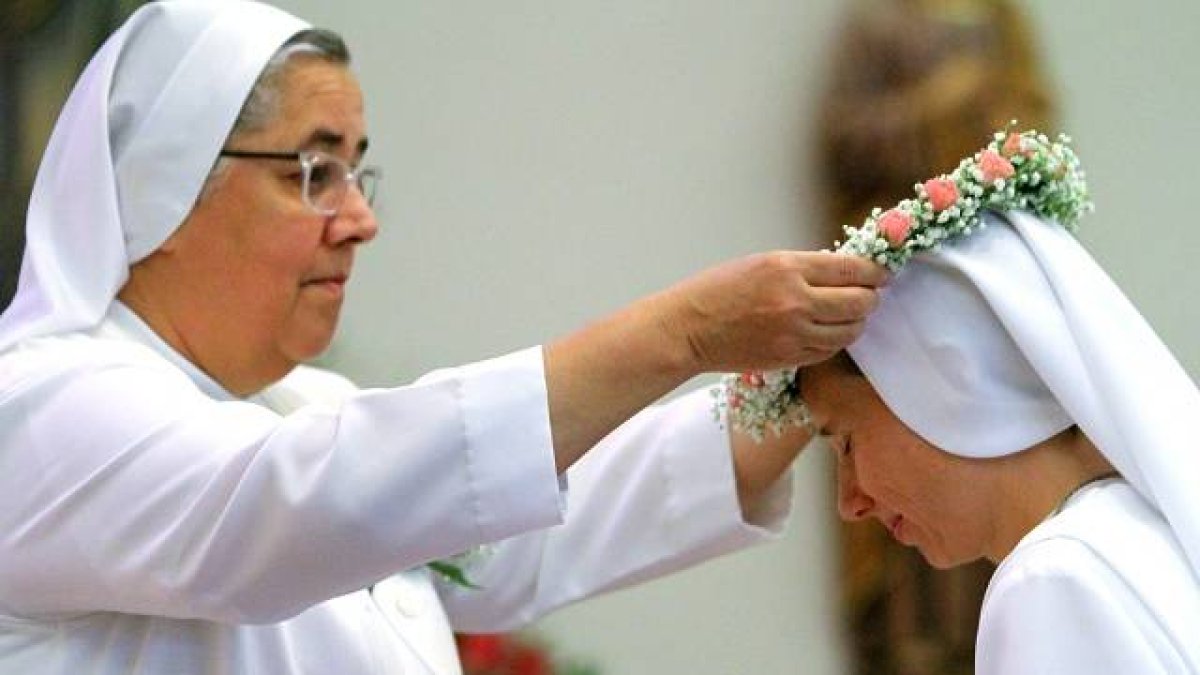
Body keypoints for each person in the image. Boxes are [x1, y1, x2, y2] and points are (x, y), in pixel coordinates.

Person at [0, 1, 887, 673]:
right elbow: (304, 500)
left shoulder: (303, 405)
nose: (357, 220)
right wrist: (687, 332)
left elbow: (525, 521)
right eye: (315, 170)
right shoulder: (41, 407)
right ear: (167, 180)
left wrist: (811, 368)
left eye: (358, 171)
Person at [796, 209, 1200, 673]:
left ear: (944, 382)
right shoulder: (1143, 529)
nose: (849, 503)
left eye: (846, 443)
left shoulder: (1050, 579)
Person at [814, 2, 1057, 671]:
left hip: (973, 312)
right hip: (902, 317)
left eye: (843, 442)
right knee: (914, 526)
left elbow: (1033, 113)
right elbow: (843, 138)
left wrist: (987, 106)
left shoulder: (1000, 16)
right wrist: (946, 104)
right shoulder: (878, 25)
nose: (847, 494)